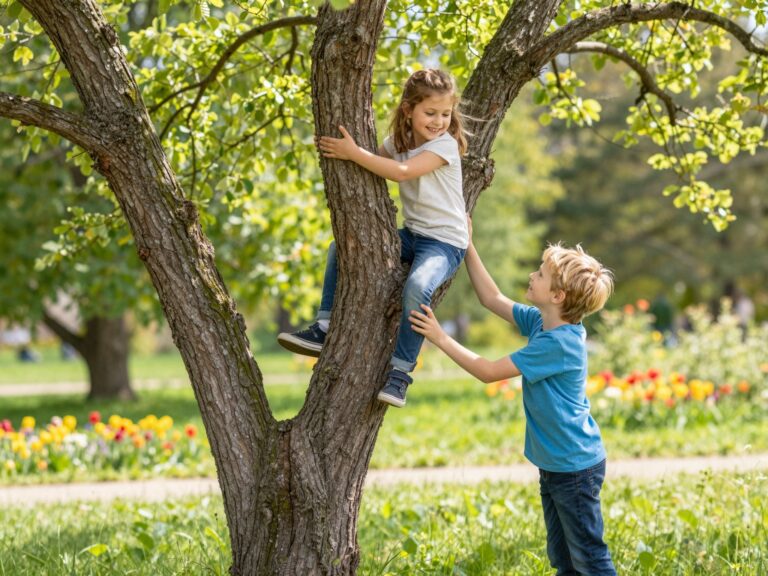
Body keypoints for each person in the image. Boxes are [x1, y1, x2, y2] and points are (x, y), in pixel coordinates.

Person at [409, 227, 617, 576]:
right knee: (563, 559)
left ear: (558, 296)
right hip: (556, 465)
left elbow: (489, 371)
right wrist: (468, 244)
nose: (532, 276)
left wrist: (440, 338)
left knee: (589, 559)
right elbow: (491, 298)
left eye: (541, 274)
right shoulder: (542, 323)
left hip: (574, 469)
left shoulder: (559, 344)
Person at [277, 69, 469, 408]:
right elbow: (379, 162)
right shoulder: (400, 141)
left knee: (417, 286)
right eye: (430, 113)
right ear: (409, 109)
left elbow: (401, 172)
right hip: (413, 235)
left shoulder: (445, 145)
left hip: (445, 242)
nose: (439, 121)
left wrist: (354, 153)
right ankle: (324, 324)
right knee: (342, 247)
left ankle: (400, 373)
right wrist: (352, 153)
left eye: (445, 113)